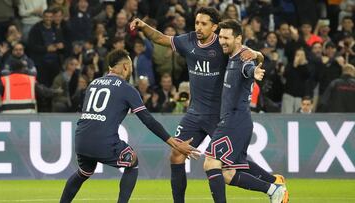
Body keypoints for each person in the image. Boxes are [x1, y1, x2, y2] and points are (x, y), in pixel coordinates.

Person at [130, 7, 264, 203]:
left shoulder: (223, 44)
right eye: (197, 23)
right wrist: (143, 27)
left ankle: (272, 182)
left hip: (219, 115)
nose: (199, 28)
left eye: (204, 24)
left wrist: (256, 54)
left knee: (231, 165)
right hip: (194, 114)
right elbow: (161, 39)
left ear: (215, 27)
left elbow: (251, 57)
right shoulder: (189, 40)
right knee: (176, 154)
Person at [59, 50, 199, 203]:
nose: (131, 69)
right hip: (102, 141)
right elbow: (147, 119)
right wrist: (174, 143)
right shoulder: (127, 89)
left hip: (81, 139)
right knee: (132, 161)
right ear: (125, 67)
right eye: (131, 65)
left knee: (84, 172)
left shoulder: (93, 83)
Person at [203, 19, 289, 203]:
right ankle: (274, 183)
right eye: (221, 37)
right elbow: (256, 57)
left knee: (211, 163)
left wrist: (254, 71)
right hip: (237, 120)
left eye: (227, 37)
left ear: (238, 38)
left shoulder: (243, 58)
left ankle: (273, 190)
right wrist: (259, 54)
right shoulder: (234, 54)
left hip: (234, 121)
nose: (222, 41)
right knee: (229, 172)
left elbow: (248, 68)